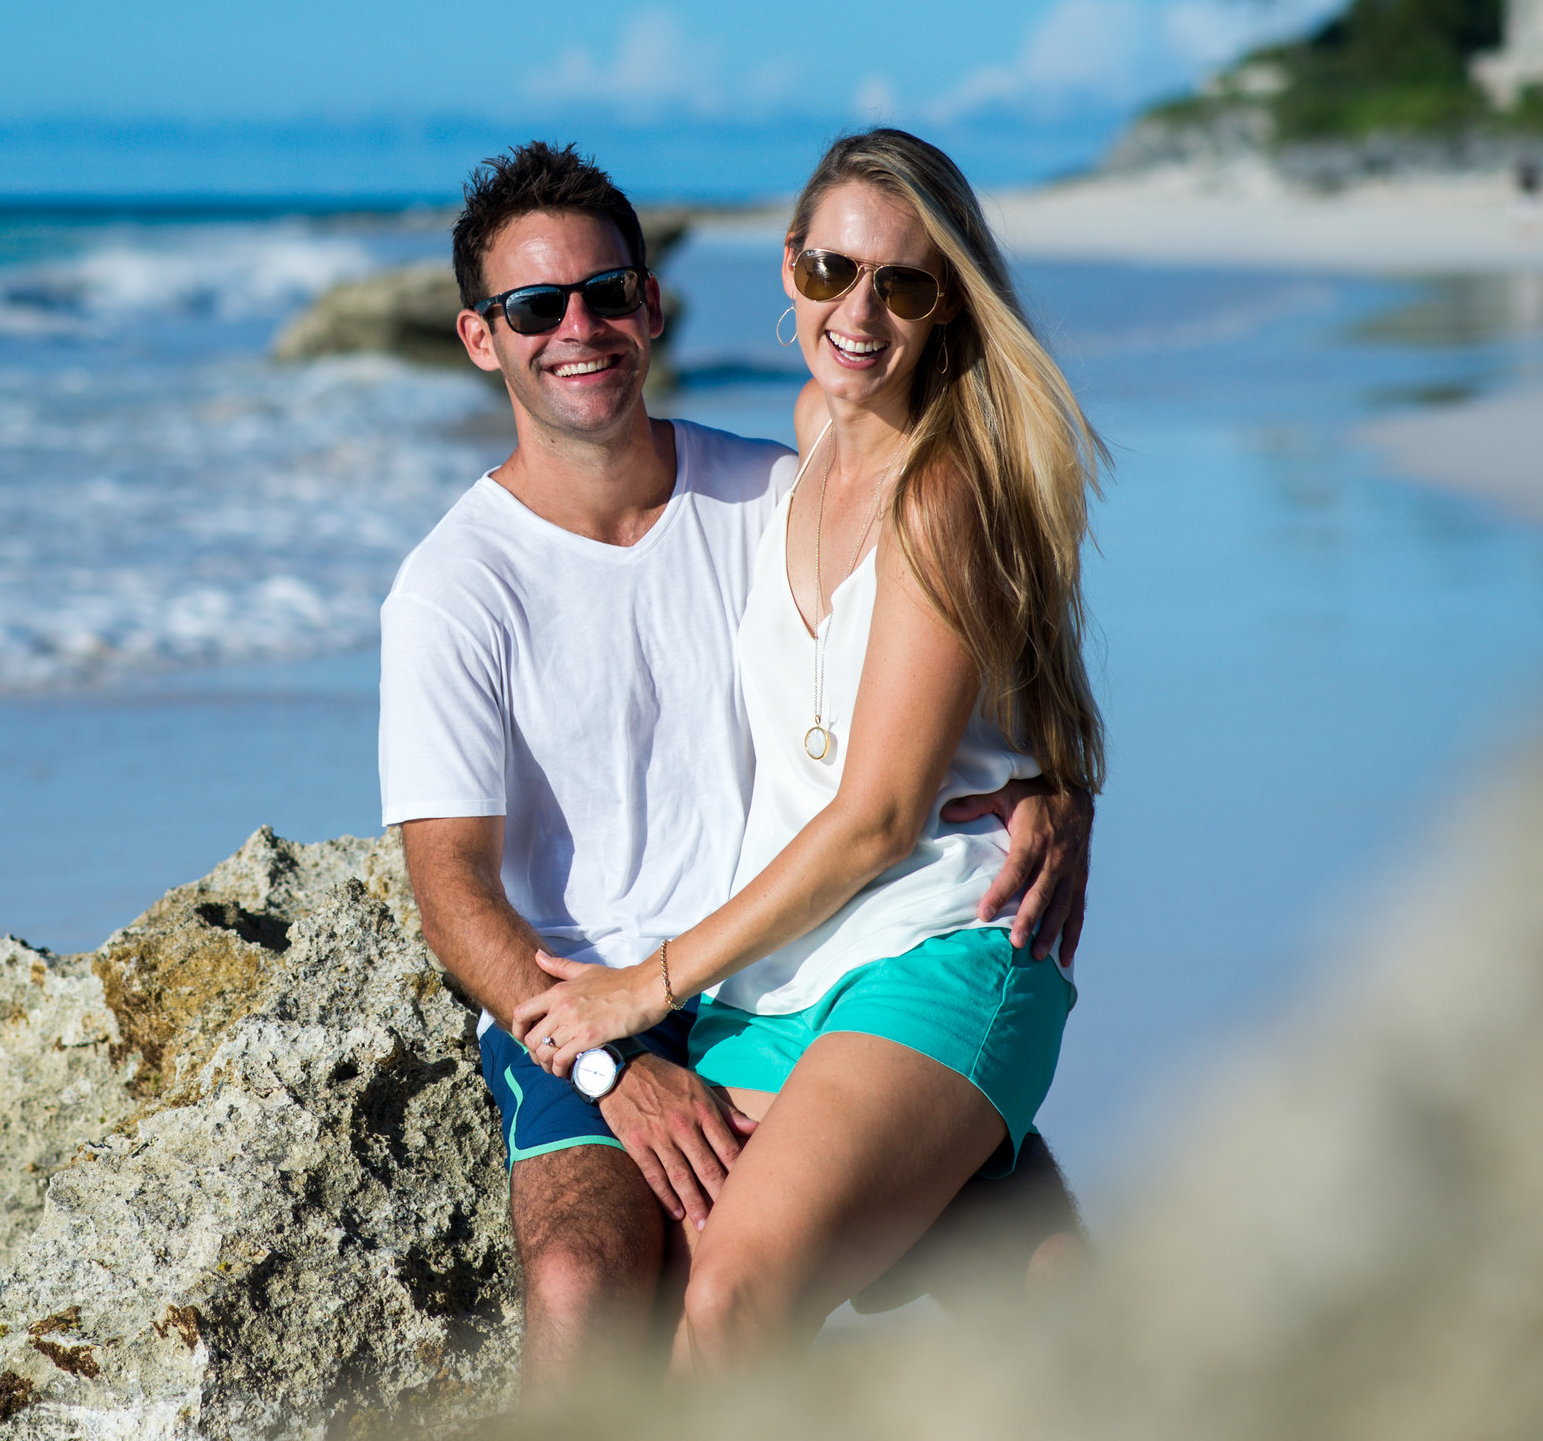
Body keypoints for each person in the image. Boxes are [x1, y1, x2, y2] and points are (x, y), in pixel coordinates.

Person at [380, 139, 1091, 1392]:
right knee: (585, 1285)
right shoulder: (456, 587)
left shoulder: (768, 481)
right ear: (481, 337)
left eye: (606, 292)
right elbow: (449, 890)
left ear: (654, 304)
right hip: (642, 996)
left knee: (1001, 1278)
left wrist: (1051, 783)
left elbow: (934, 713)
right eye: (535, 307)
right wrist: (609, 1050)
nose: (578, 327)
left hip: (820, 954)